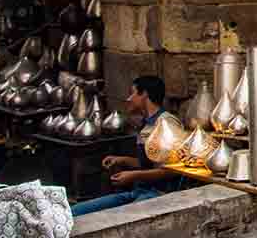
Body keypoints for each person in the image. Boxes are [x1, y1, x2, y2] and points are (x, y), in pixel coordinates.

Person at [71, 76, 180, 216]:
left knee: (117, 219)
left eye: (133, 93)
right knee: (77, 211)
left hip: (159, 194)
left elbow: (172, 170)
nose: (129, 99)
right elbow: (149, 164)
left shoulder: (167, 123)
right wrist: (121, 160)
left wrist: (133, 176)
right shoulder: (147, 124)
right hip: (138, 191)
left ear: (144, 94)